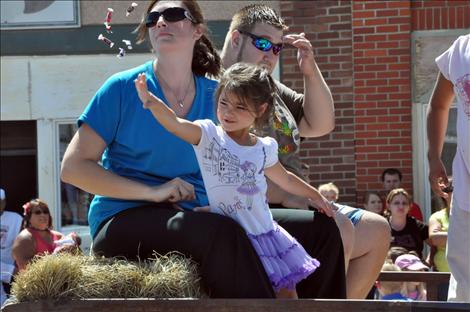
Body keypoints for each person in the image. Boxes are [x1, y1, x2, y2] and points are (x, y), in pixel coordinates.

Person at [61, 0, 345, 299]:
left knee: (320, 229)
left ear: (198, 30)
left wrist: (291, 196)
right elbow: (73, 169)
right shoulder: (121, 88)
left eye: (172, 15)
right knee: (221, 231)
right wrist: (153, 192)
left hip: (200, 214)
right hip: (124, 219)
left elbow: (243, 166)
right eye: (153, 17)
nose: (160, 22)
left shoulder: (218, 97)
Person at [220, 3, 388, 299]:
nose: (270, 54)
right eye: (262, 44)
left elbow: (321, 123)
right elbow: (226, 165)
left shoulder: (270, 89)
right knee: (339, 228)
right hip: (261, 205)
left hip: (296, 198)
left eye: (277, 48)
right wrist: (289, 195)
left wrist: (309, 70)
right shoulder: (221, 92)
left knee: (376, 230)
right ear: (236, 39)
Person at [135, 62, 337, 298]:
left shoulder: (263, 148)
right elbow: (175, 124)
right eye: (223, 103)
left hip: (265, 232)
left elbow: (287, 180)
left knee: (287, 294)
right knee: (247, 297)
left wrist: (316, 195)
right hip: (232, 239)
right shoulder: (209, 136)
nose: (228, 113)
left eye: (240, 107)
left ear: (260, 110)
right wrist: (152, 103)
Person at [426, 34, 470, 302]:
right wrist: (434, 157)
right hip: (466, 193)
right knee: (464, 283)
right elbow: (439, 104)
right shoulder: (461, 49)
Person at [11, 199, 81, 272]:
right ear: (29, 217)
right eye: (37, 212)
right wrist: (56, 256)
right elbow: (25, 268)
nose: (43, 215)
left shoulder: (58, 236)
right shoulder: (24, 238)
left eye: (45, 212)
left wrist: (72, 247)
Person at [386, 188, 429, 260]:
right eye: (396, 203)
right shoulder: (382, 225)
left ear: (409, 206)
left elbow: (435, 246)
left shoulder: (417, 226)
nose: (401, 206)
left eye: (404, 203)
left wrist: (429, 260)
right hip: (390, 269)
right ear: (388, 205)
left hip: (413, 269)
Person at [0, 188, 22, 306]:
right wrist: (10, 270)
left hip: (13, 271)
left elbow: (21, 245)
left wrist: (16, 267)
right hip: (9, 270)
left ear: (4, 202)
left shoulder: (15, 219)